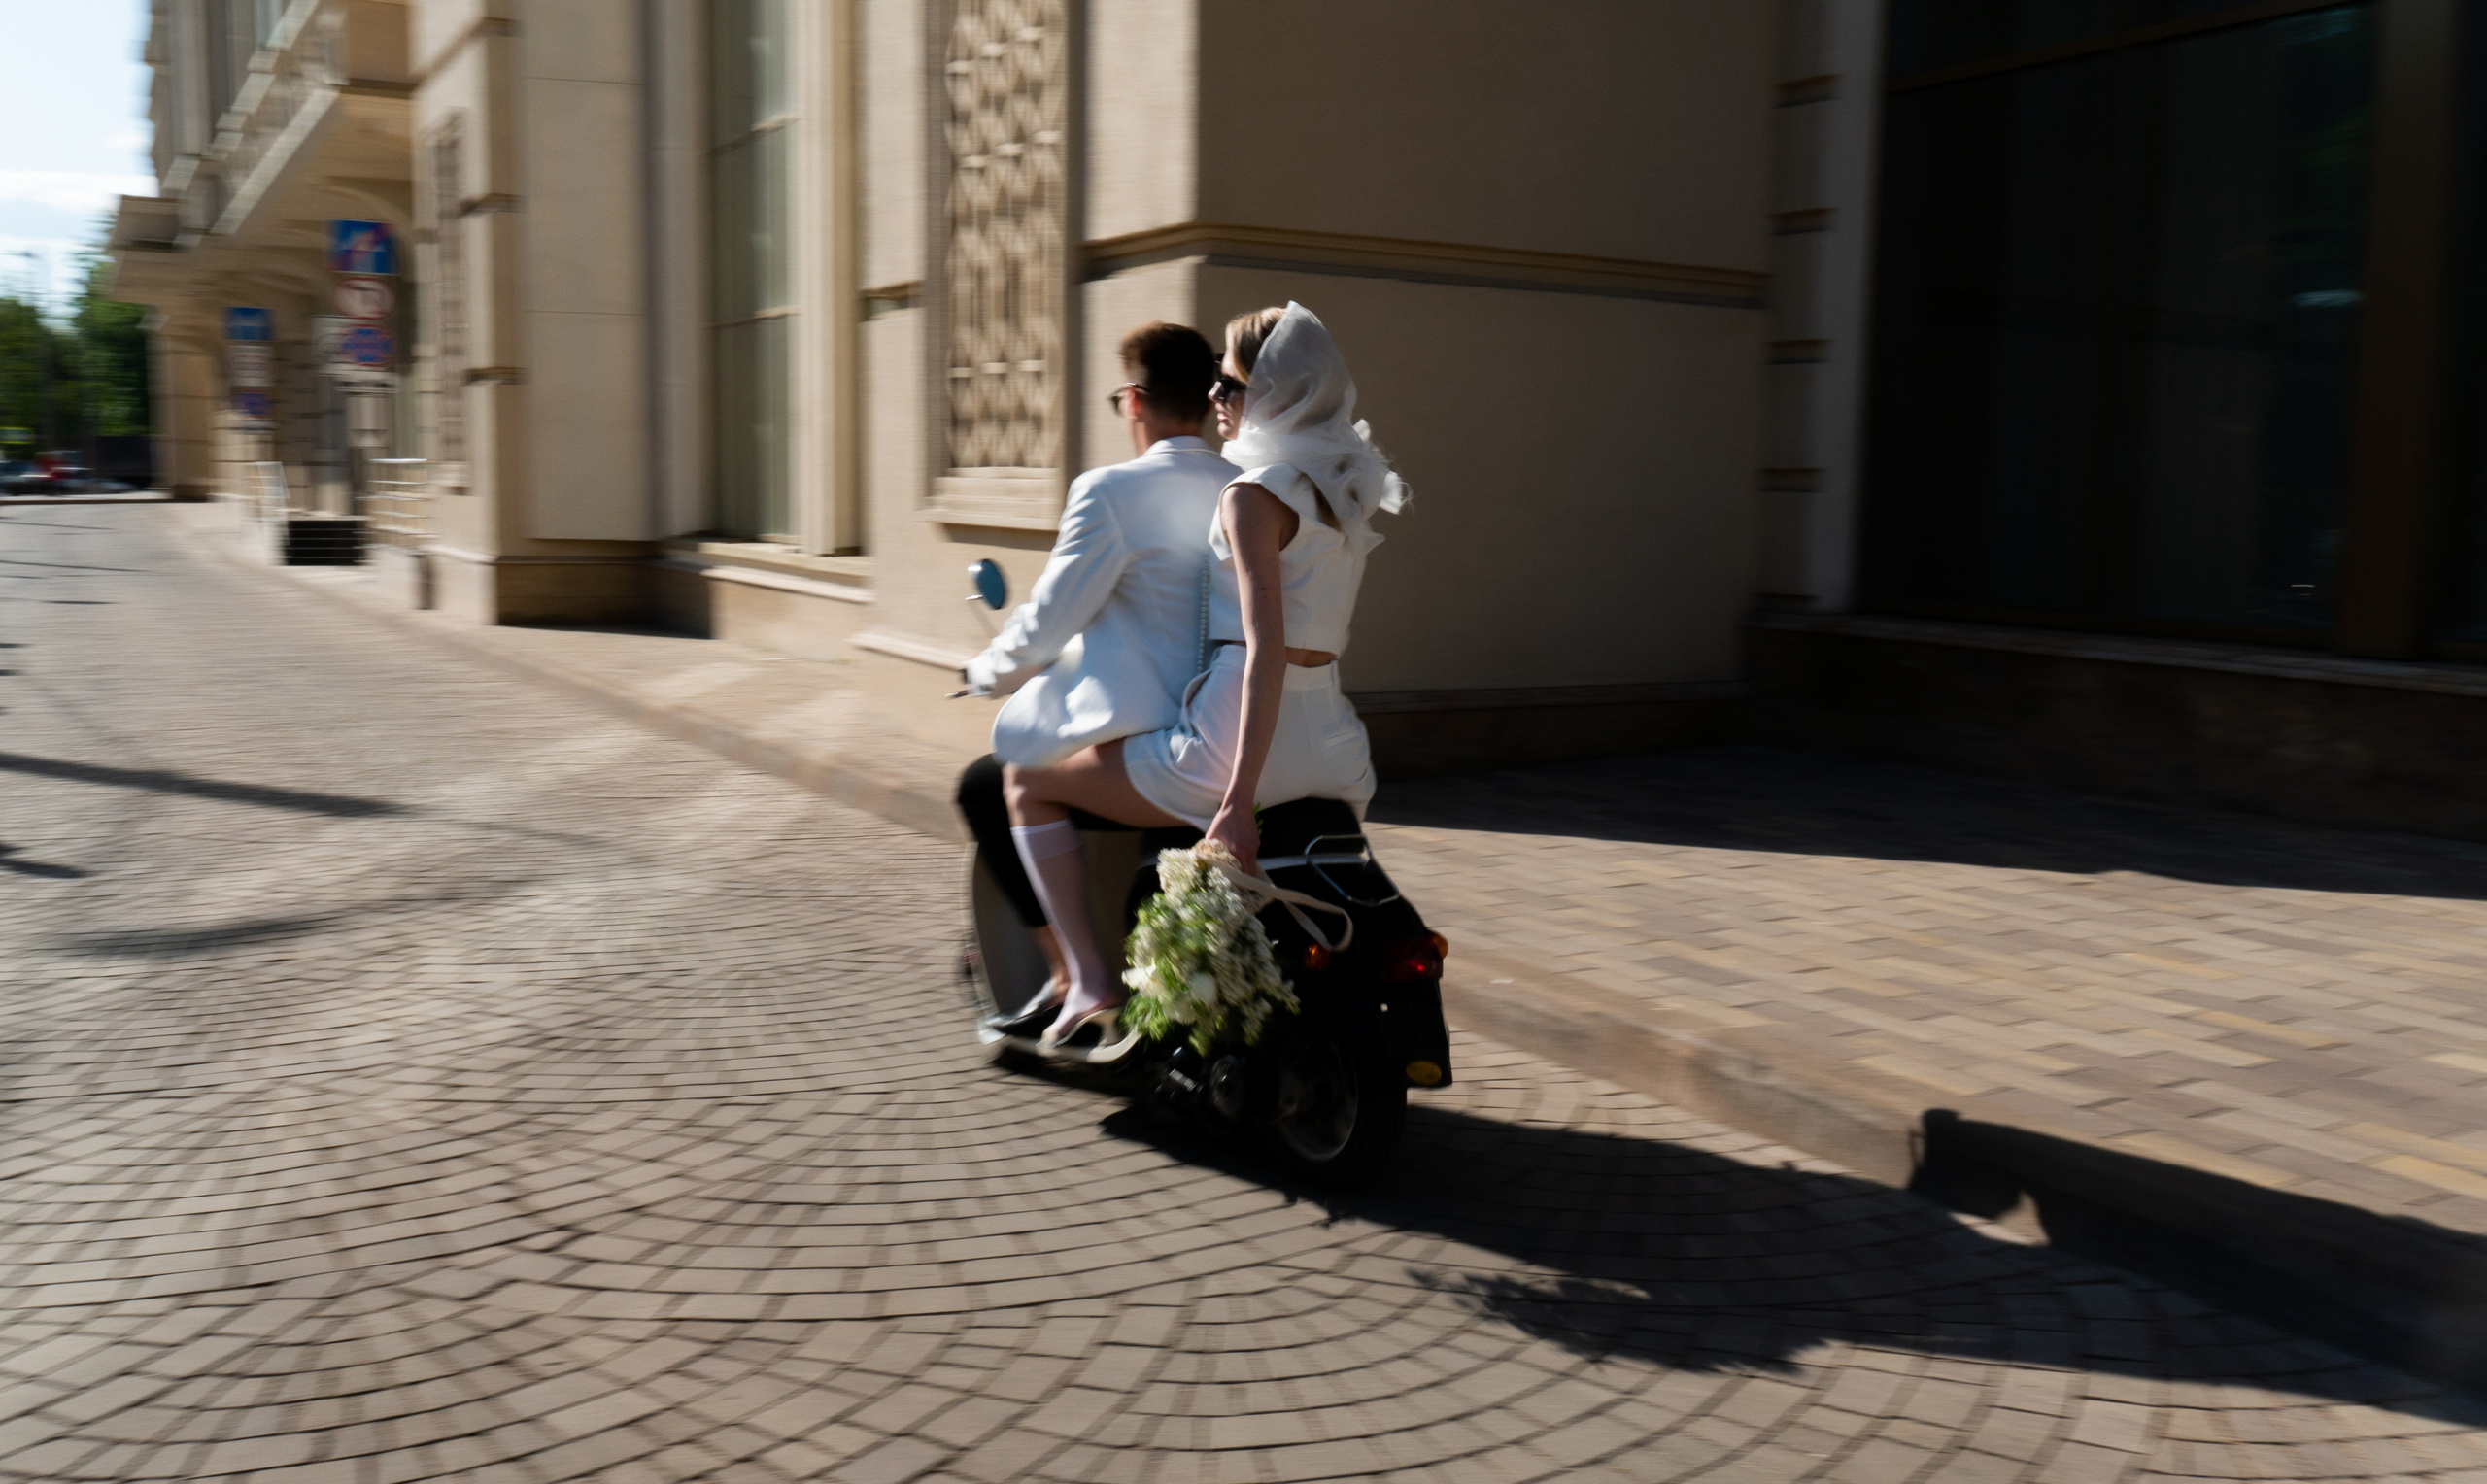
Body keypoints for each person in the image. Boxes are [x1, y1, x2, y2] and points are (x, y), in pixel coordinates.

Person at [1004, 302, 1411, 1051]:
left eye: (1229, 384)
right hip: (1336, 743)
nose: (1216, 401)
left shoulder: (1253, 496)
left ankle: (1087, 980)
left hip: (1241, 740)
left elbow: (1264, 654)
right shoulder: (1343, 495)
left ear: (1274, 394)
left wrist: (1235, 804)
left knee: (1030, 784)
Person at [954, 321, 1239, 1033]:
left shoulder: (1110, 493)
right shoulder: (1247, 486)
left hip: (1163, 743)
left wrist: (985, 672)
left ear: (1135, 401)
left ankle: (1081, 978)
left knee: (1000, 782)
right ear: (1207, 402)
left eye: (1120, 400)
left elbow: (1048, 621)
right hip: (1249, 733)